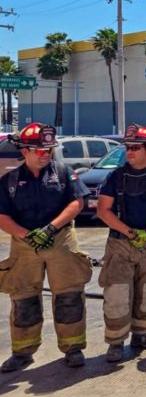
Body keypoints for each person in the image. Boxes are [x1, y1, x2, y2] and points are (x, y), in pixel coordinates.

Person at [0, 123, 91, 372]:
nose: (45, 154)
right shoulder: (10, 180)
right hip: (24, 245)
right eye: (39, 150)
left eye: (48, 149)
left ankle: (73, 348)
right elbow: (2, 215)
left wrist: (50, 229)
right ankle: (22, 352)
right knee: (23, 298)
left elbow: (76, 203)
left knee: (69, 296)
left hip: (60, 240)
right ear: (25, 151)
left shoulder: (64, 172)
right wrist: (27, 235)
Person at [97, 124, 146, 363]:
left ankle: (142, 336)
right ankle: (116, 343)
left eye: (135, 148)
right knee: (117, 294)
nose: (129, 152)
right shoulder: (114, 177)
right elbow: (103, 210)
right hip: (120, 244)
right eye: (128, 148)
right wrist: (129, 232)